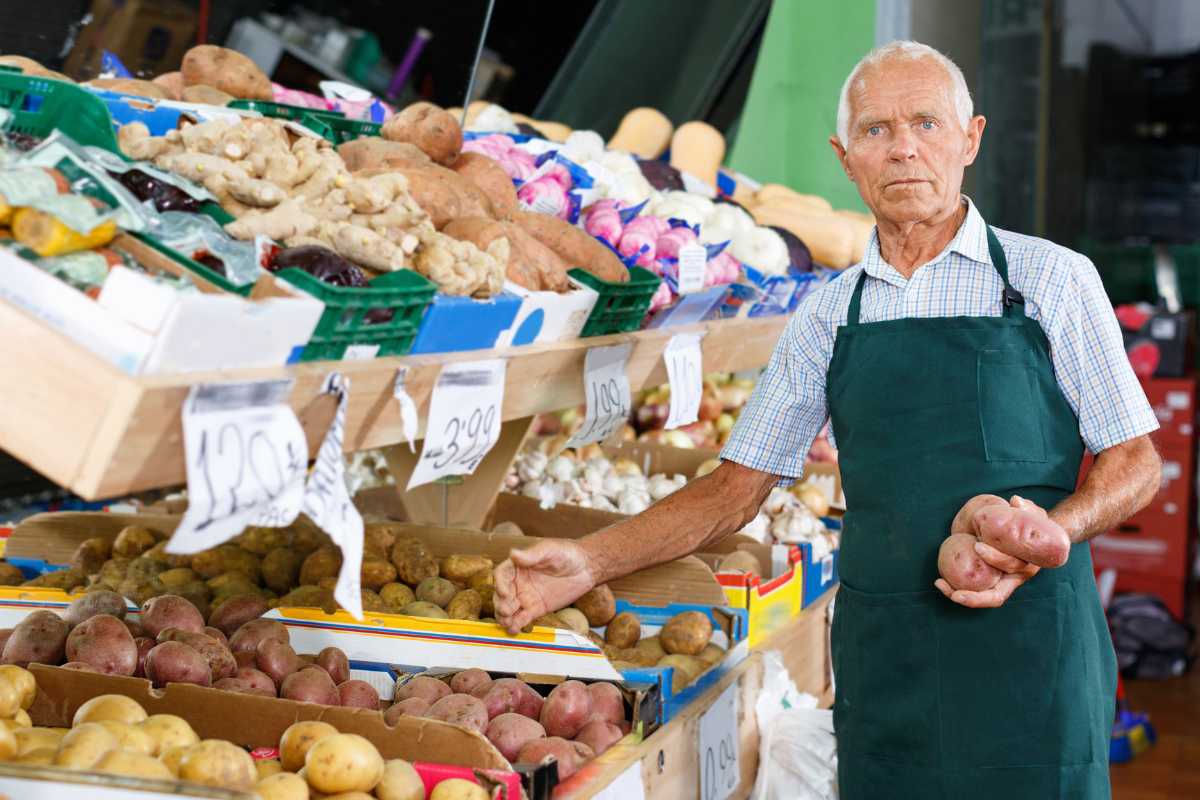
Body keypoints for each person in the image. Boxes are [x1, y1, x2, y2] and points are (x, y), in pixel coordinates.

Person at [493, 40, 1162, 798]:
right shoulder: (827, 314)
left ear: (970, 138)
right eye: (876, 130)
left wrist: (1057, 531)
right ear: (846, 159)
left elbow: (1135, 461)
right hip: (891, 661)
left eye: (926, 123)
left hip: (1034, 654)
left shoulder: (1053, 280)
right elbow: (734, 490)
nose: (904, 147)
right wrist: (588, 562)